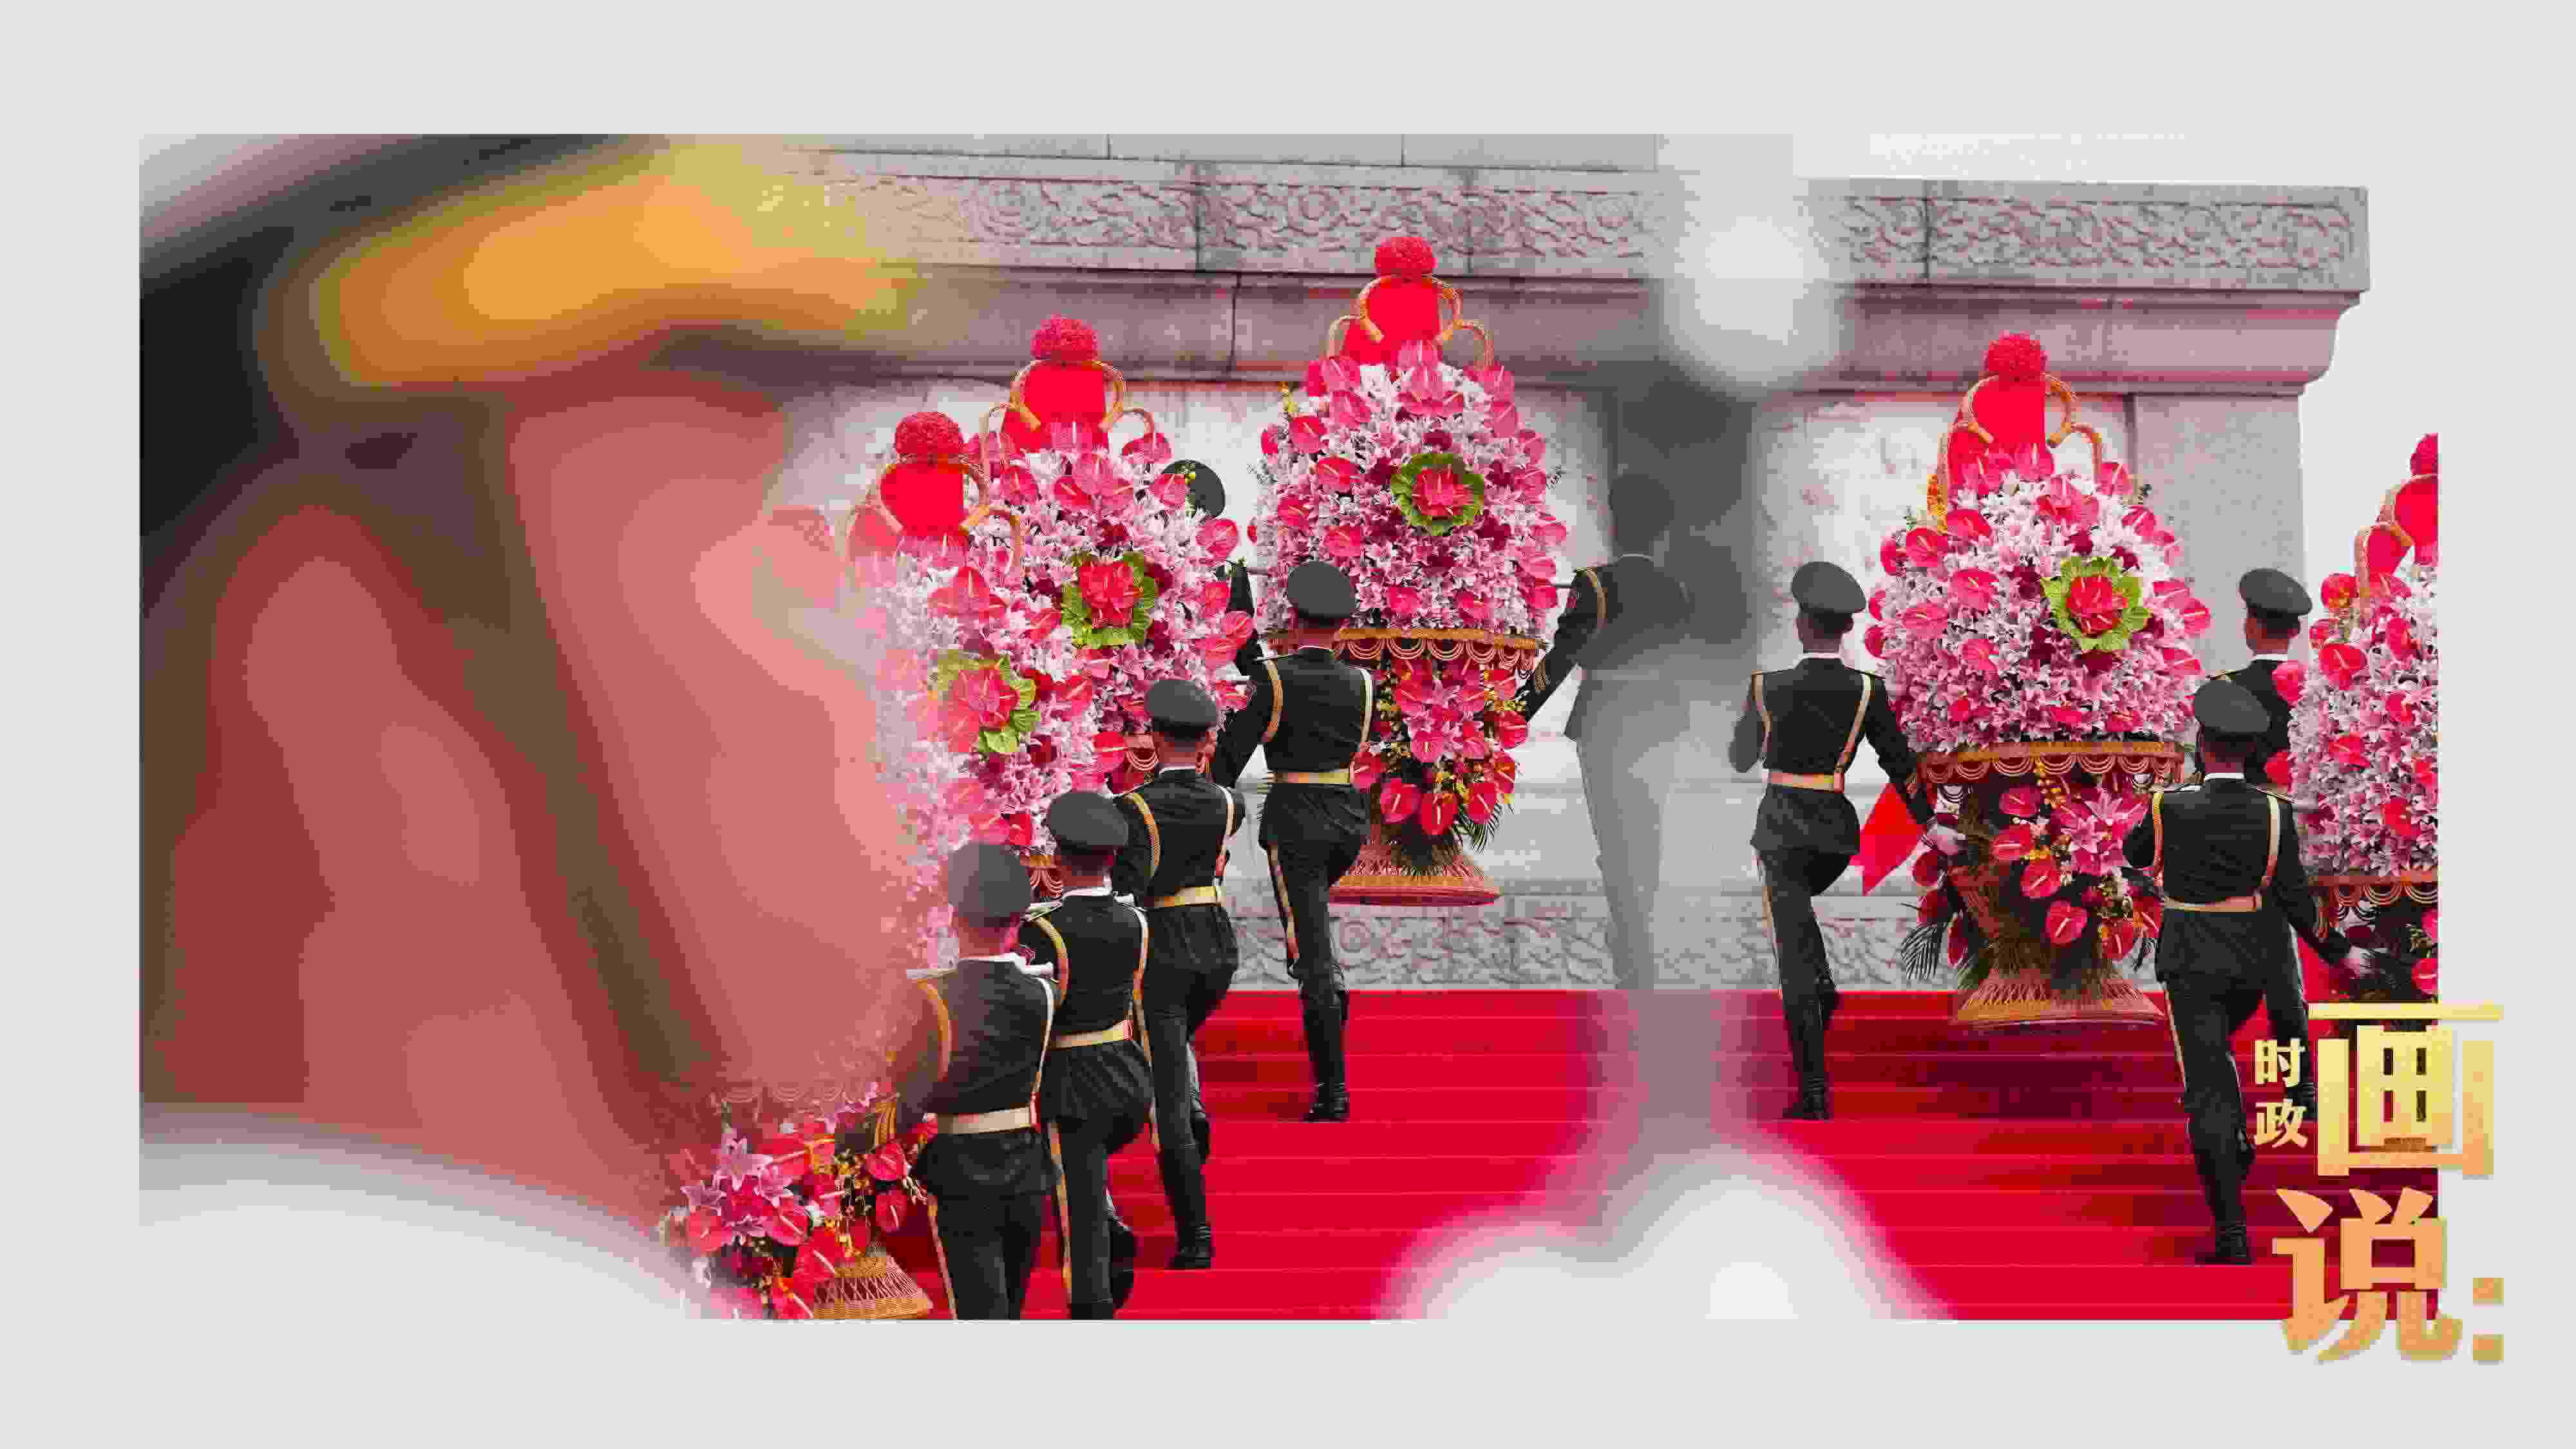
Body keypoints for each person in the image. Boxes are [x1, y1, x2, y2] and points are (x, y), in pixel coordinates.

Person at [2121, 679, 2378, 1265]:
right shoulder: (2274, 812)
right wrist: (2339, 951)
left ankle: (2232, 1233)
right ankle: (2232, 1137)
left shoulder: (2167, 806)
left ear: (2202, 743)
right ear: (2248, 750)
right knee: (2219, 1068)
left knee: (2207, 1087)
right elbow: (2296, 899)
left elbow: (2132, 857)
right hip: (2252, 962)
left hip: (2190, 960)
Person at [1725, 561, 1937, 1121]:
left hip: (1781, 832)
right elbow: (1901, 765)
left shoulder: (1766, 687)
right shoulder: (1867, 691)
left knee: (1791, 958)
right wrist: (1932, 826)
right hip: (1836, 838)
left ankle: (1814, 1092)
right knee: (1797, 920)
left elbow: (1740, 759)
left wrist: (1749, 723)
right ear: (1845, 630)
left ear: (1801, 624)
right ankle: (1821, 985)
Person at [1209, 561, 1374, 1124]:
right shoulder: (1362, 682)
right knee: (1314, 937)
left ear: (1294, 617)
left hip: (1298, 822)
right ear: (1343, 622)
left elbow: (1229, 760)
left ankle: (1334, 1090)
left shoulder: (1275, 680)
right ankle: (1331, 1004)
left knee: (1311, 954)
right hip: (1347, 820)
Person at [1519, 473, 1695, 992]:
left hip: (1608, 721)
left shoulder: (1593, 585)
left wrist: (1513, 714)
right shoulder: (1678, 590)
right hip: (1661, 723)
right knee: (1648, 835)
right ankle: (1638, 946)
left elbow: (1562, 658)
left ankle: (1634, 955)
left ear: (1615, 526)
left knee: (1616, 842)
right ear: (1660, 532)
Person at [1115, 679, 1250, 1271]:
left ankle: (1196, 1234)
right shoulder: (1230, 803)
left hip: (1165, 947)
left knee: (1167, 1100)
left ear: (1154, 737)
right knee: (1176, 1046)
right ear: (1206, 741)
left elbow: (1130, 891)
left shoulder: (1134, 808)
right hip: (1218, 945)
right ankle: (1190, 1096)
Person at [898, 842, 1059, 1318]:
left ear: (954, 921)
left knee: (979, 1313)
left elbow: (912, 1093)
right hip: (1026, 1167)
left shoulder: (930, 998)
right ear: (1016, 925)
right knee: (1010, 1311)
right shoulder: (1044, 993)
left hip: (960, 1170)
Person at [1019, 791, 1155, 1318]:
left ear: (1057, 858)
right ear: (1113, 858)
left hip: (1074, 1082)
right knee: (1086, 1183)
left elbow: (1036, 1013)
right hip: (1127, 1071)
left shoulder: (1044, 930)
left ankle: (1093, 1306)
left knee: (1076, 1216)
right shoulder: (1137, 922)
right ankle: (1109, 1224)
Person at [2229, 568, 2311, 794]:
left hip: (2245, 806)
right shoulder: (2316, 690)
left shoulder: (2227, 687)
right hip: (2303, 805)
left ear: (2251, 625)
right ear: (2296, 630)